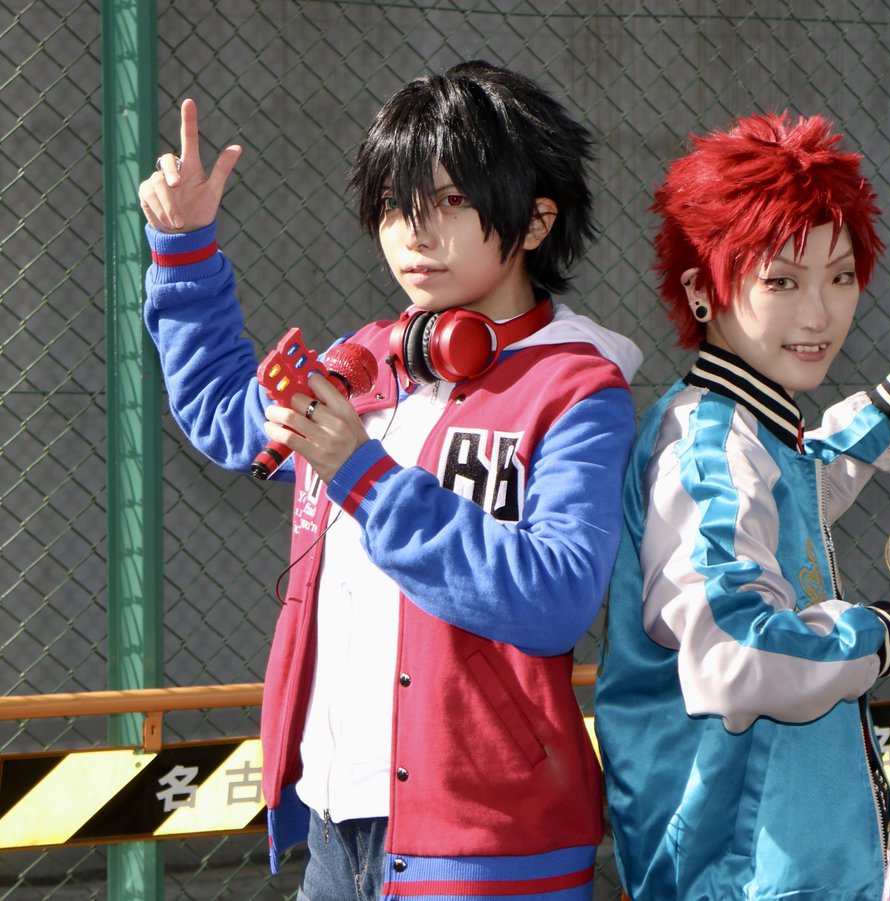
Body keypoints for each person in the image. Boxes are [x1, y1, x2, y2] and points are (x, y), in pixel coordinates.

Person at [138, 61, 641, 901]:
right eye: (396, 205)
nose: (416, 233)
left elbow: (555, 595)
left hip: (488, 848)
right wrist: (184, 250)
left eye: (451, 201)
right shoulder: (366, 358)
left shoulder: (579, 389)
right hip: (332, 826)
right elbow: (229, 418)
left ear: (535, 220)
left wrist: (365, 478)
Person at [593, 112, 890, 900]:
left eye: (840, 277)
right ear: (701, 290)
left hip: (789, 860)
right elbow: (737, 654)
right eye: (781, 281)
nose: (819, 314)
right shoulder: (710, 447)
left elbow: (804, 476)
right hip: (742, 874)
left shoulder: (744, 425)